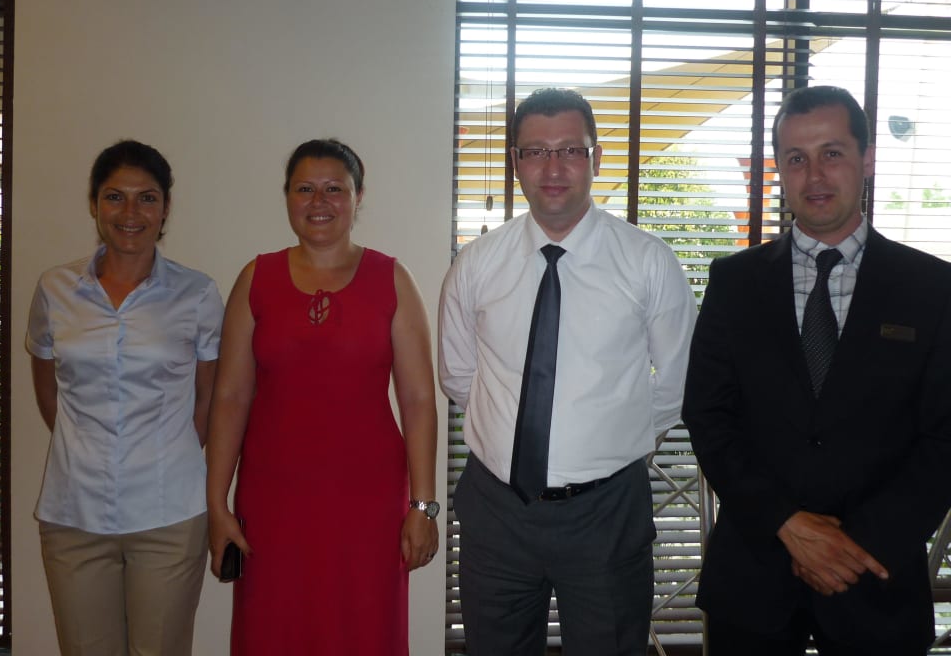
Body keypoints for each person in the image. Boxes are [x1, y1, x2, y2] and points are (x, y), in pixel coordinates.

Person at [682, 84, 951, 655]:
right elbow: (708, 416)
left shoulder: (933, 289)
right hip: (754, 575)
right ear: (780, 169)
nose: (815, 176)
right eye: (796, 159)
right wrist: (788, 524)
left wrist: (849, 547)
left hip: (876, 577)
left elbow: (945, 436)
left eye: (832, 153)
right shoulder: (734, 282)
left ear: (867, 158)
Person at [438, 88, 697, 655]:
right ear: (515, 162)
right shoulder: (477, 263)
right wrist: (510, 437)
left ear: (596, 158)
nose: (553, 168)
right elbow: (458, 376)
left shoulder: (648, 261)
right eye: (535, 152)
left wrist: (612, 441)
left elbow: (679, 381)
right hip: (497, 511)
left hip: (607, 513)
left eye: (570, 151)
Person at [206, 138, 438, 655]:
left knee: (364, 630)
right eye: (304, 189)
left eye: (335, 189)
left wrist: (423, 506)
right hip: (273, 502)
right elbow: (230, 397)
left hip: (369, 504)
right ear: (287, 196)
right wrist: (216, 504)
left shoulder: (392, 279)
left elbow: (419, 400)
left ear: (358, 197)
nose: (319, 202)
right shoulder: (256, 279)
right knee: (273, 630)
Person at [26, 139, 223, 656]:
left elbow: (209, 397)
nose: (130, 213)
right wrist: (84, 446)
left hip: (168, 511)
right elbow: (47, 383)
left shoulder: (197, 294)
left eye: (146, 198)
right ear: (94, 203)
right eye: (115, 197)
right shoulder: (55, 289)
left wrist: (168, 454)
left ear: (166, 207)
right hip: (74, 512)